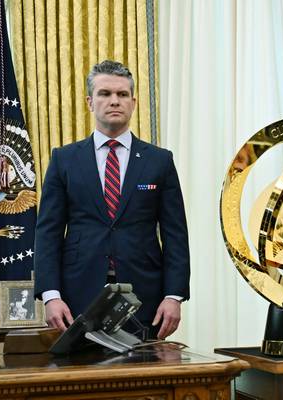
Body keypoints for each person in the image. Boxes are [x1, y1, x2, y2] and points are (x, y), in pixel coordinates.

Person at [35, 60, 190, 340]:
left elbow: (175, 234)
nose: (114, 101)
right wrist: (50, 295)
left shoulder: (160, 161)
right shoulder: (64, 159)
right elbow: (48, 233)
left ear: (133, 102)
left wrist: (174, 296)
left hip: (145, 298)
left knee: (143, 378)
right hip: (77, 297)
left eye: (121, 95)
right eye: (105, 94)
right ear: (90, 102)